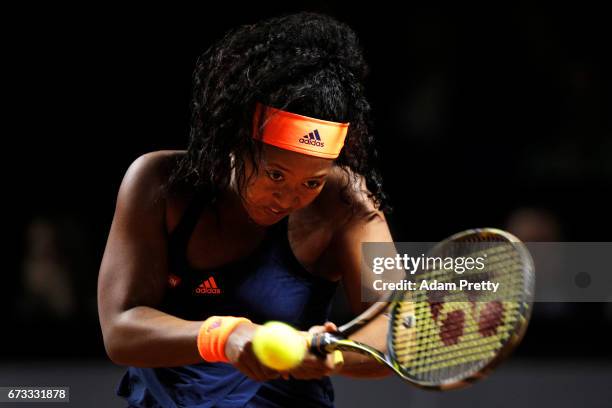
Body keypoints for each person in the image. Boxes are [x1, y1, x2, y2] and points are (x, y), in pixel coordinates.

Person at [98, 11, 394, 408]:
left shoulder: (351, 205)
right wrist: (227, 336)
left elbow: (395, 328)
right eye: (275, 174)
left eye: (312, 182)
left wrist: (331, 351)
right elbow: (120, 329)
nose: (289, 198)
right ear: (238, 139)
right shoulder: (157, 183)